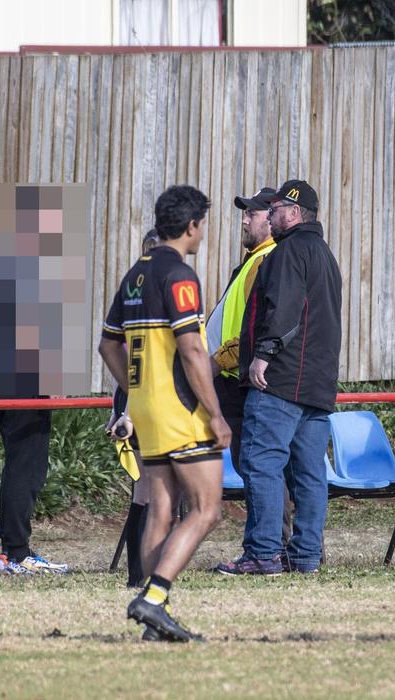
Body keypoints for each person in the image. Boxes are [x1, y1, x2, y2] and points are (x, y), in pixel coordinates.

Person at [99, 185, 232, 641]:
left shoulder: (135, 274)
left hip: (146, 409)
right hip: (180, 409)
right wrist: (214, 414)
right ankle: (153, 598)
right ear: (193, 226)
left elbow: (107, 344)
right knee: (207, 508)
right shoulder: (179, 274)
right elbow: (193, 349)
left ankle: (155, 619)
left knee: (160, 508)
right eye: (202, 226)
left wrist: (134, 392)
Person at [220, 179, 342, 576]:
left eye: (274, 210)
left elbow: (284, 311)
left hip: (282, 380)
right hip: (318, 385)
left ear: (293, 213)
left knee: (261, 462)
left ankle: (263, 552)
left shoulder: (288, 252)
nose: (269, 216)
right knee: (308, 472)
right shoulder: (325, 255)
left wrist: (263, 357)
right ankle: (305, 555)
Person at [206, 187, 277, 473]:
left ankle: (271, 521)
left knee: (258, 471)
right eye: (244, 214)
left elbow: (256, 328)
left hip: (238, 380)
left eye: (251, 213)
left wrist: (217, 361)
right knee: (253, 470)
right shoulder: (254, 259)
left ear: (271, 219)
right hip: (232, 378)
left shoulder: (265, 260)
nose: (244, 220)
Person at [107, 228, 163, 589]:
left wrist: (119, 408)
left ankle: (137, 575)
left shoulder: (132, 292)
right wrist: (126, 410)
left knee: (147, 493)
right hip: (153, 405)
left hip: (140, 403)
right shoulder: (158, 298)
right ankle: (144, 574)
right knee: (154, 494)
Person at [0, 407, 69, 575]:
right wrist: (55, 382)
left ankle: (10, 552)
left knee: (18, 463)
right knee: (27, 468)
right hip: (26, 386)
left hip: (2, 385)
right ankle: (17, 555)